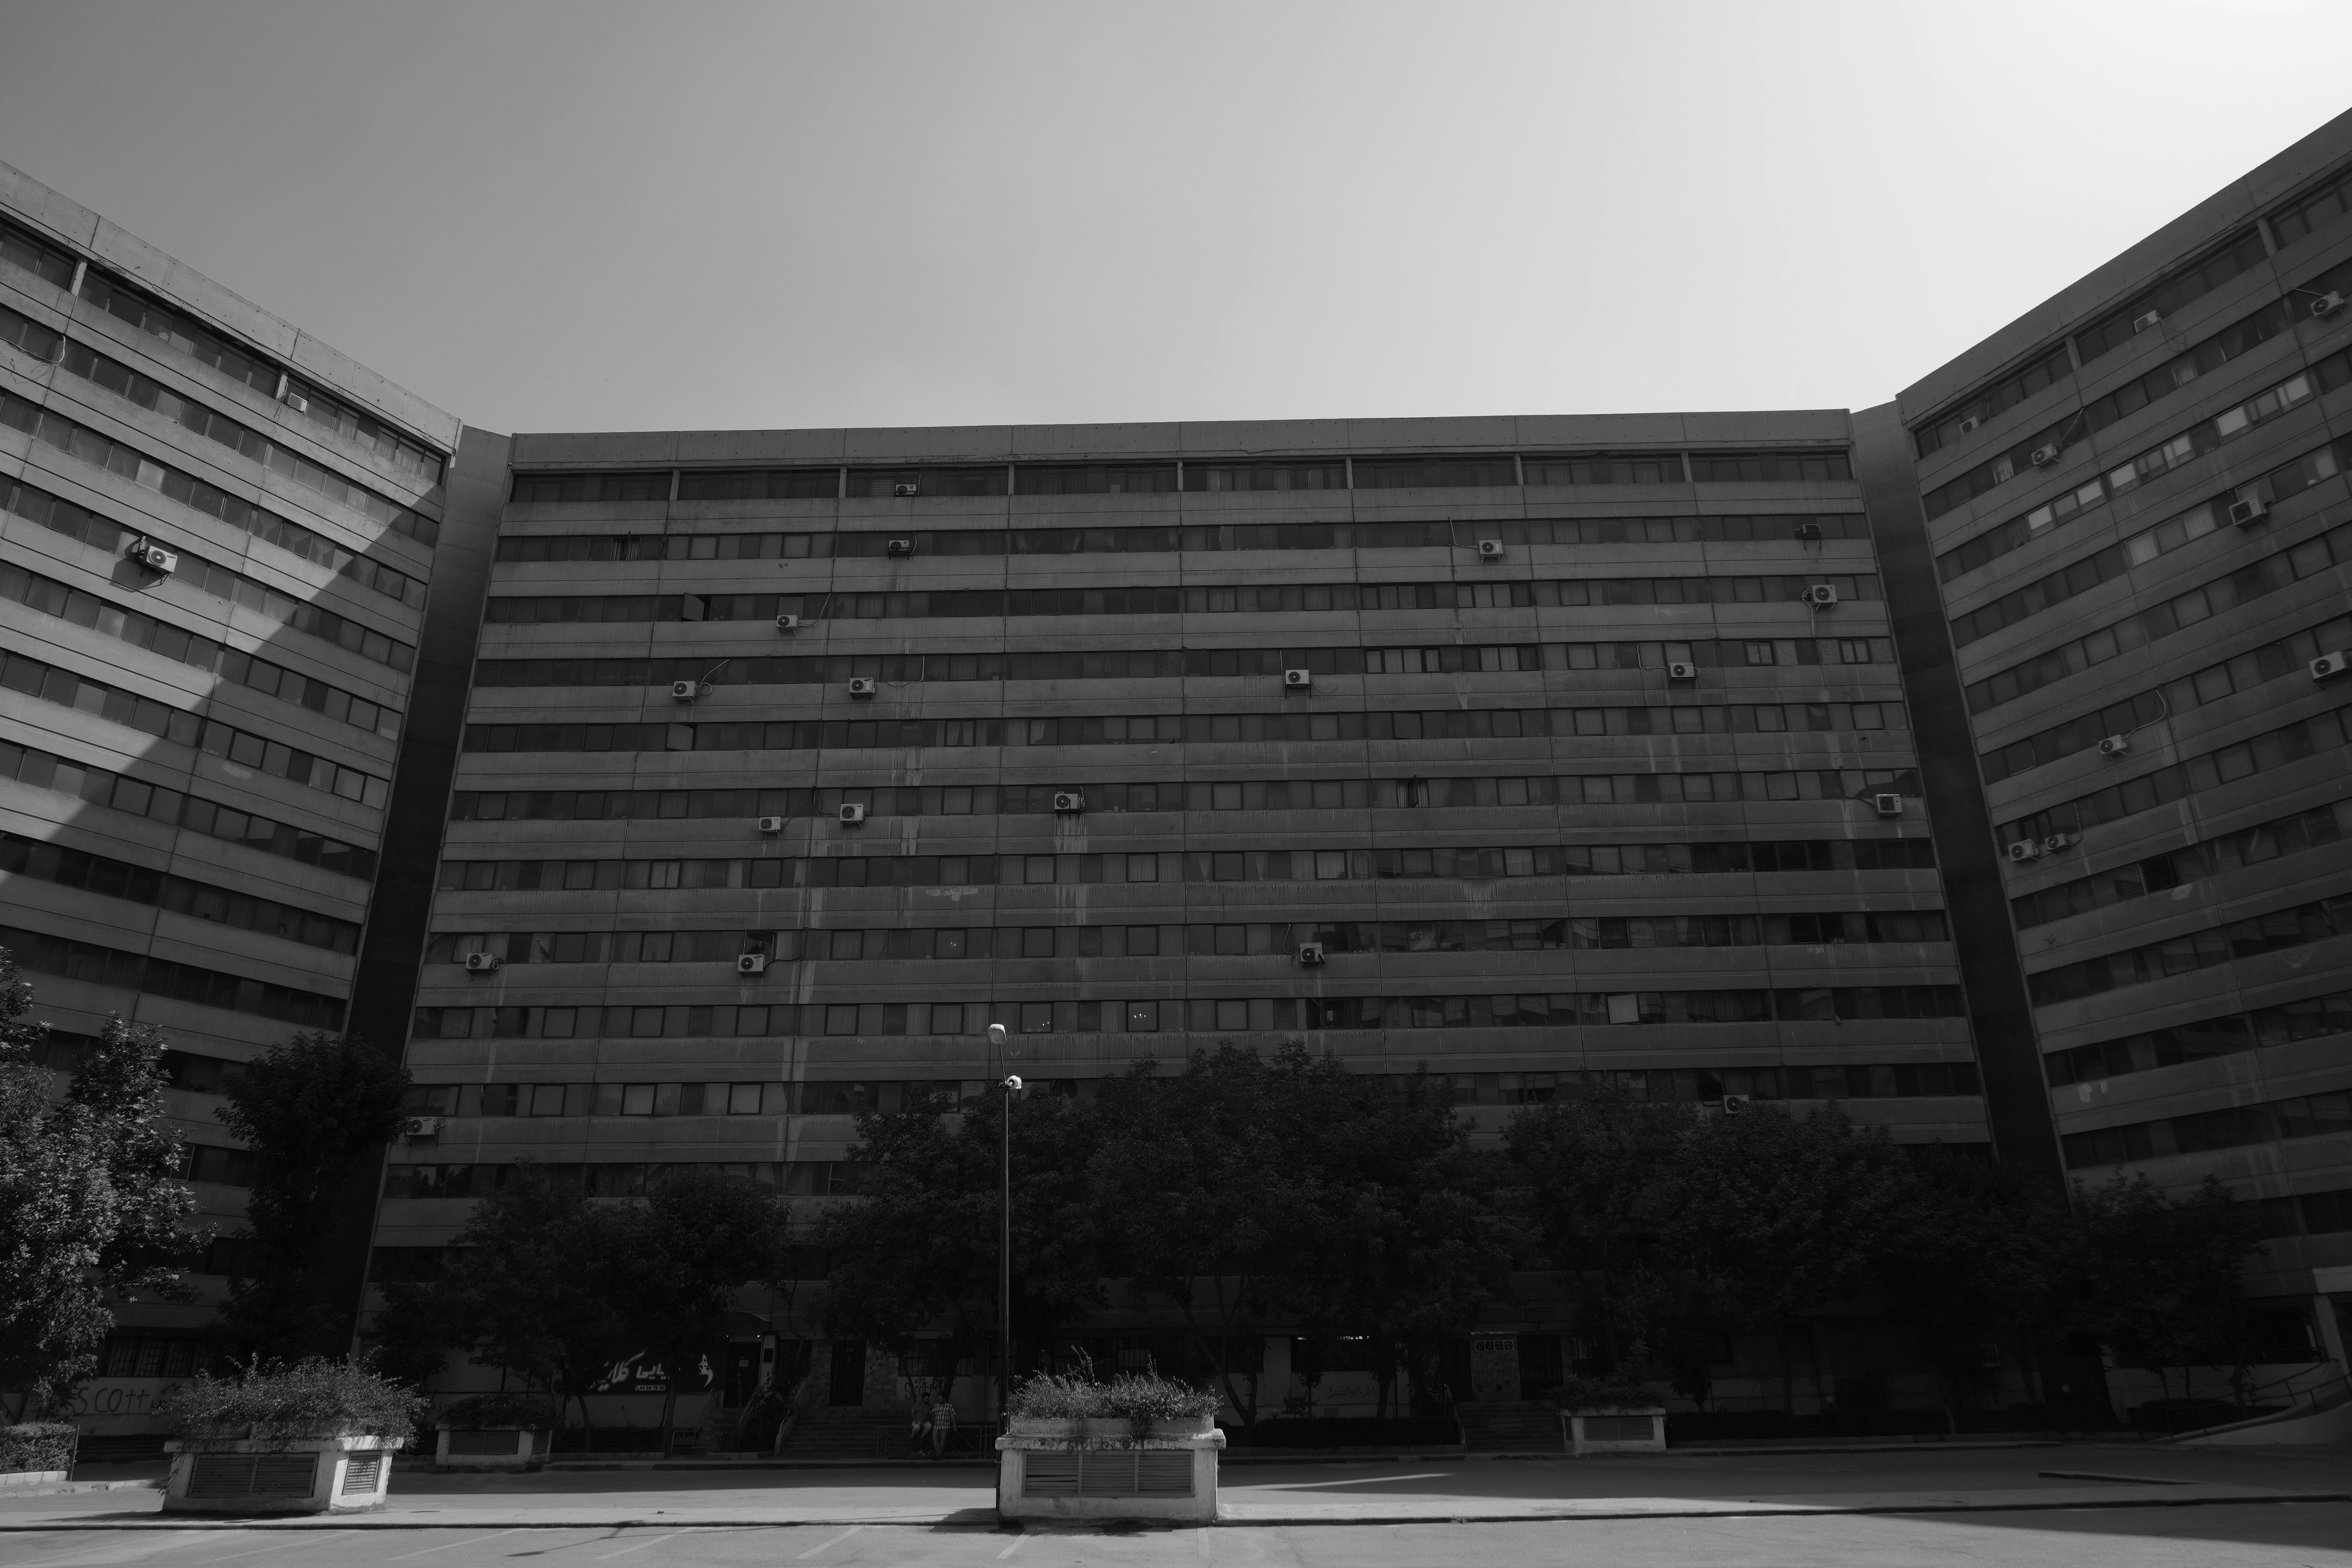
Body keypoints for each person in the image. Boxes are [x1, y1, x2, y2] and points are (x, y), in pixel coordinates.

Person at [928, 1393, 957, 1459]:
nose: (939, 1400)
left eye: (940, 1399)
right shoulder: (936, 1406)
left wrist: (954, 1425)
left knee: (942, 1440)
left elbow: (953, 1415)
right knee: (935, 1438)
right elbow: (933, 1415)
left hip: (945, 1425)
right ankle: (939, 1454)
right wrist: (931, 1414)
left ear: (944, 1399)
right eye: (938, 1399)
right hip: (937, 1425)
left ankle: (938, 1455)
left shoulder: (950, 1406)